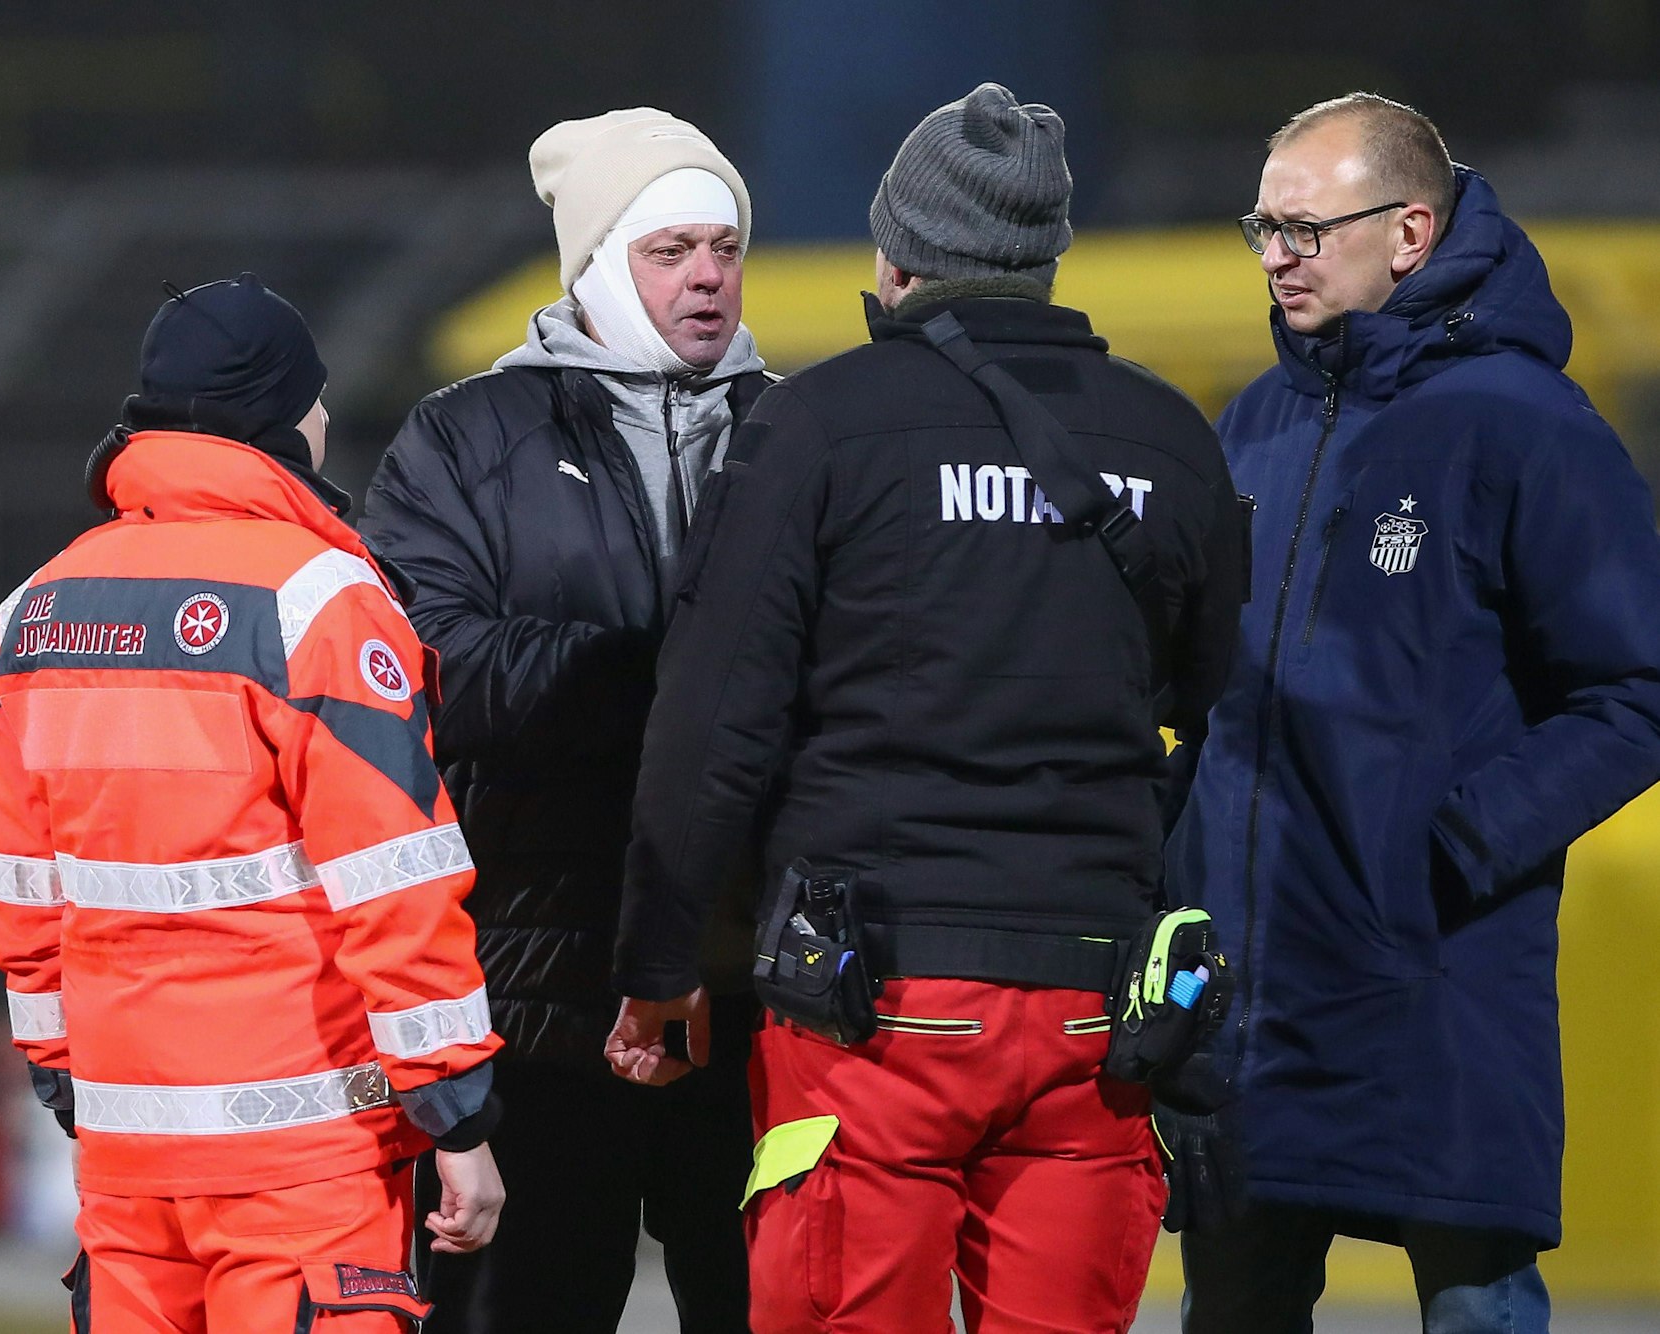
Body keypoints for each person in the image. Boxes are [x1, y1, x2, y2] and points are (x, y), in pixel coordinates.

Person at [606, 83, 1247, 1334]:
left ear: (894, 254)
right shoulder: (1172, 439)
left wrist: (660, 955)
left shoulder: (818, 426)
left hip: (877, 1006)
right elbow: (1210, 696)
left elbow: (715, 720)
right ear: (1047, 255)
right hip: (1094, 1010)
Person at [1163, 92, 1660, 1333]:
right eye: (1261, 228)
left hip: (1432, 979)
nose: (1275, 256)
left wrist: (1458, 842)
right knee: (1233, 1302)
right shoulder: (1252, 421)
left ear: (1411, 229)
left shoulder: (1528, 426)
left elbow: (1639, 689)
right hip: (1253, 994)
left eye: (1303, 228)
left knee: (1480, 1302)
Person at [0, 273, 506, 1332]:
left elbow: (24, 900)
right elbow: (394, 881)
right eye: (311, 398)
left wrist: (64, 1082)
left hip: (129, 1154)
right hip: (307, 1153)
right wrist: (455, 1110)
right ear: (278, 413)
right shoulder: (319, 601)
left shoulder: (32, 613)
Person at [360, 109, 769, 1333]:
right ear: (596, 264)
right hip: (541, 998)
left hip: (754, 996)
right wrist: (663, 677)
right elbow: (431, 672)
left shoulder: (802, 431)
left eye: (724, 244)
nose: (706, 274)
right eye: (669, 249)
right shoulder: (464, 439)